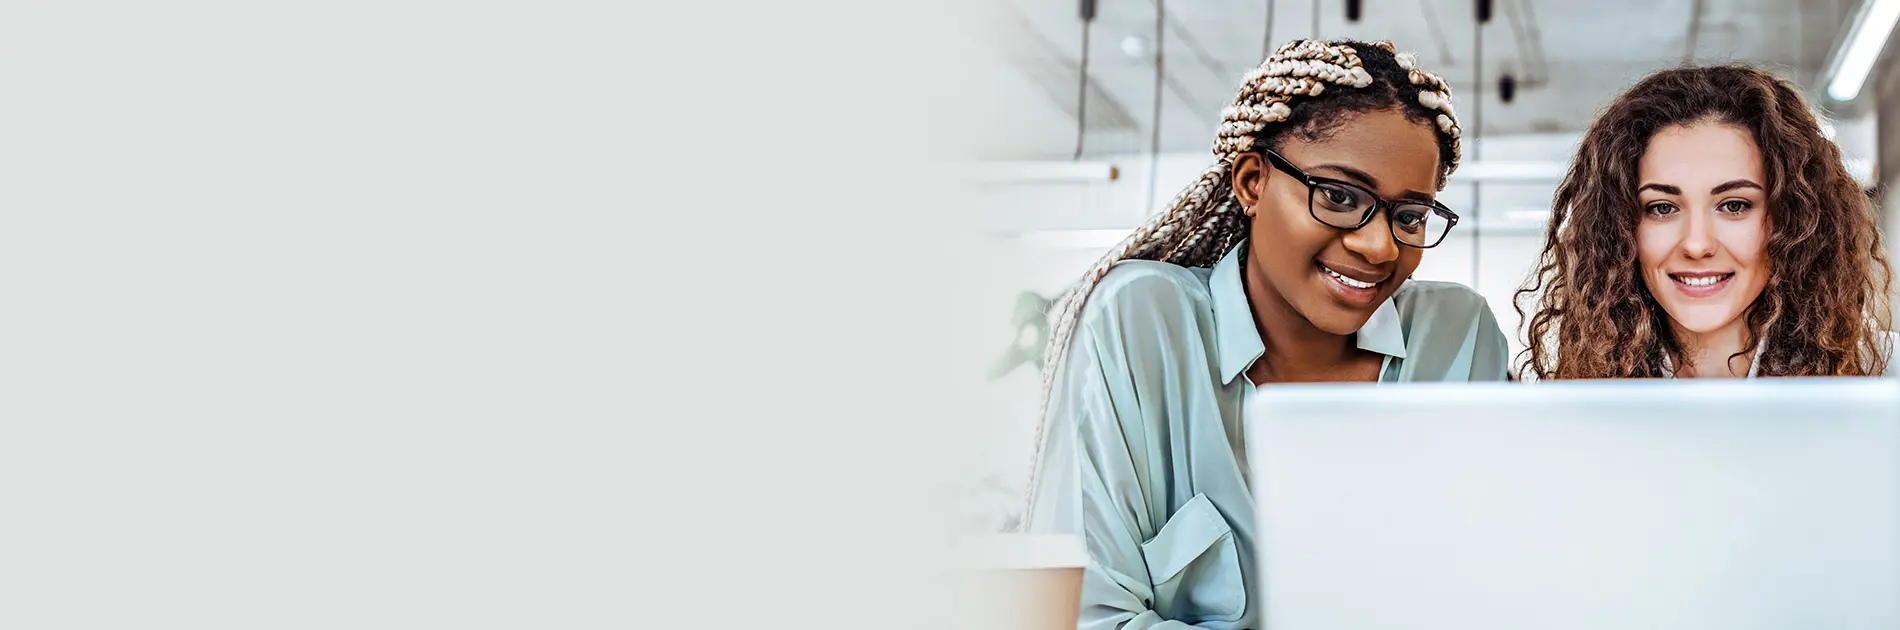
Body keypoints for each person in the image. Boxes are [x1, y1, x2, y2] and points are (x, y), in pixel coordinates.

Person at [1023, 39, 1509, 629]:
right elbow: (1083, 617)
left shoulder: (1457, 337)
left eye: (1408, 216)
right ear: (1252, 182)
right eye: (1338, 197)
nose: (1379, 246)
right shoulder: (1144, 321)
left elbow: (1483, 590)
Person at [1516, 64, 1893, 379]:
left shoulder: (1884, 380)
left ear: (1791, 220)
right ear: (1619, 229)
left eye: (1733, 206)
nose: (1697, 245)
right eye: (1662, 208)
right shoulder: (1578, 398)